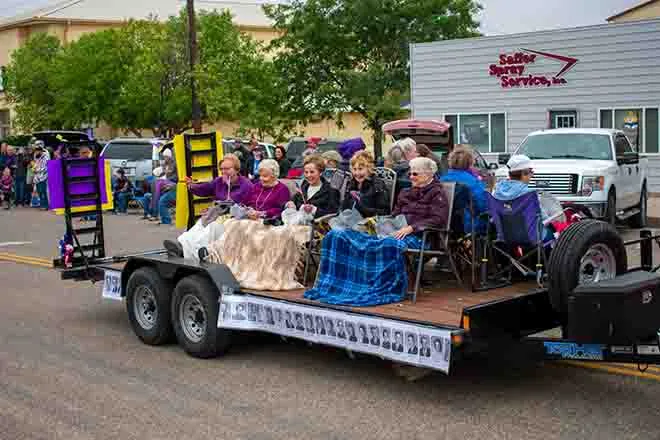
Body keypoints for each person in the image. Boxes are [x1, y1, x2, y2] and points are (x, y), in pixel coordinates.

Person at [390, 157, 449, 248]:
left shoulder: (437, 193)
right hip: (400, 233)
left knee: (389, 244)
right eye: (410, 174)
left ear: (428, 174)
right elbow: (395, 214)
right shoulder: (405, 192)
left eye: (415, 174)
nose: (411, 177)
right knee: (368, 239)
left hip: (422, 237)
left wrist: (412, 228)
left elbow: (438, 219)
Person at [440, 146, 488, 234]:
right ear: (470, 163)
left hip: (443, 226)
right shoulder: (474, 182)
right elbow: (483, 207)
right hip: (469, 226)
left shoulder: (441, 181)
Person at [286, 154, 340, 219]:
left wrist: (314, 210)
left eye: (312, 172)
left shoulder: (331, 190)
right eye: (306, 172)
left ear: (320, 172)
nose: (308, 175)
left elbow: (333, 213)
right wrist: (290, 203)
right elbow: (294, 200)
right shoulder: (304, 186)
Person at [340, 150, 390, 217]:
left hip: (369, 223)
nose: (357, 173)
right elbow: (344, 207)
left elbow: (384, 212)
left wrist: (362, 208)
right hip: (352, 220)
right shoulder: (352, 183)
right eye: (354, 169)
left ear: (369, 169)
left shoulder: (377, 185)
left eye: (360, 169)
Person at [33, 143, 50, 210]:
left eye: (38, 150)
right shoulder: (36, 156)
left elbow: (46, 167)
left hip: (43, 176)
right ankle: (42, 204)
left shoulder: (45, 156)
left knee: (43, 191)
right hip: (37, 177)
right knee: (39, 191)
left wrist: (38, 170)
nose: (36, 152)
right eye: (36, 150)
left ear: (40, 151)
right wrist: (34, 168)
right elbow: (35, 164)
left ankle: (45, 205)